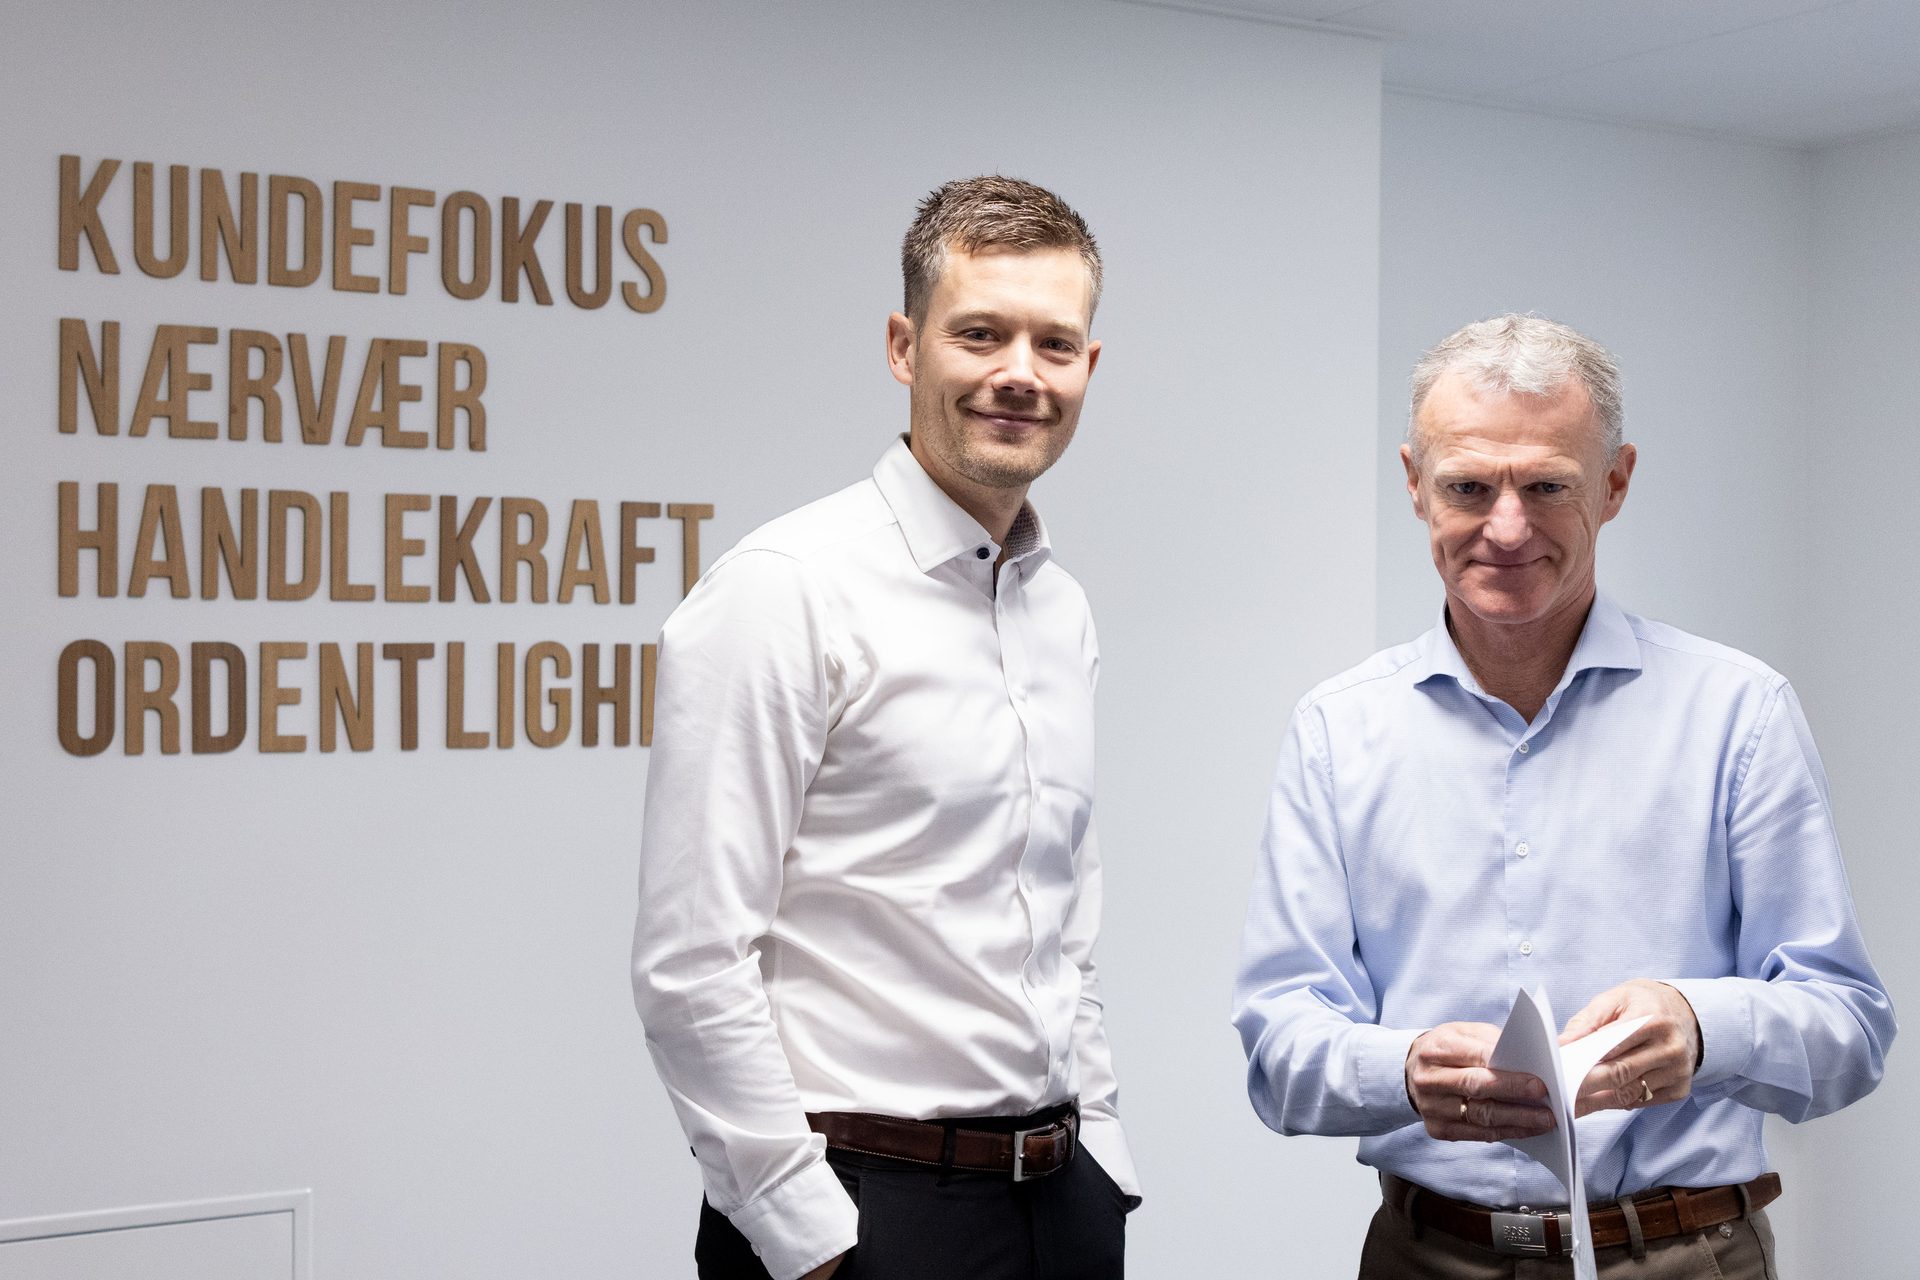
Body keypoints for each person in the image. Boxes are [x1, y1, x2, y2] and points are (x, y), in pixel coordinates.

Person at [1232, 313, 1894, 1277]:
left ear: (1615, 483)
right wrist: (1404, 1073)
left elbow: (1850, 1029)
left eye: (1548, 485)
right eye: (1468, 486)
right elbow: (1278, 1056)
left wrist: (1704, 1028)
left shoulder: (1739, 714)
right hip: (1425, 1256)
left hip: (1684, 1253)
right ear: (1415, 483)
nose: (1508, 527)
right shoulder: (1339, 731)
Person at [632, 176, 1139, 1280]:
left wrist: (1100, 1150)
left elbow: (1063, 914)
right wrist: (810, 1241)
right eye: (980, 333)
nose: (1020, 372)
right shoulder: (785, 588)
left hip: (1060, 1206)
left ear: (1088, 367)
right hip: (867, 1216)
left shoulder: (1059, 606)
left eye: (1055, 343)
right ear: (906, 346)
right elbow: (691, 961)